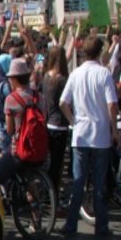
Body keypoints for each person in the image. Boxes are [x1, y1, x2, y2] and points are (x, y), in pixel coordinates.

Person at [59, 36, 120, 238]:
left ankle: (70, 225)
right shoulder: (104, 74)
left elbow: (63, 102)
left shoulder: (75, 74)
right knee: (99, 184)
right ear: (101, 51)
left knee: (78, 182)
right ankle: (101, 226)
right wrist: (114, 130)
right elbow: (112, 104)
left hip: (80, 135)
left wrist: (72, 121)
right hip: (100, 135)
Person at [0, 59, 43, 184]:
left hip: (18, 151)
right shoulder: (40, 97)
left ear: (14, 79)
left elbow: (9, 130)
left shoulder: (11, 99)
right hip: (39, 150)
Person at [42, 46, 70, 193]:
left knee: (50, 163)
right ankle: (53, 197)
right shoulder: (62, 80)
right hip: (60, 125)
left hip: (48, 123)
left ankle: (48, 194)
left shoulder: (46, 77)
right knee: (57, 166)